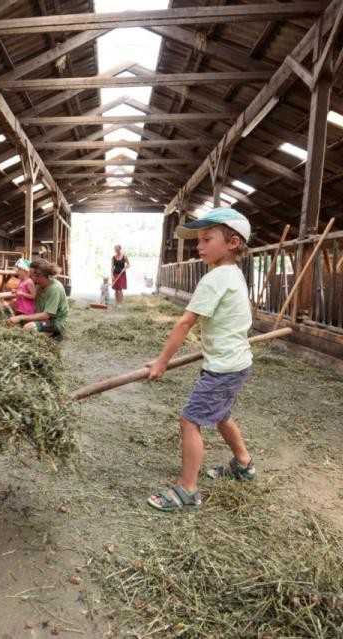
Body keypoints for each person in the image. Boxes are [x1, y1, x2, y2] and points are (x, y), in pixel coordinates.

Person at [143, 208, 255, 512]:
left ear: (233, 242)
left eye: (207, 239)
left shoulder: (215, 279)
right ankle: (243, 463)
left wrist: (162, 361)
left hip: (223, 368)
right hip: (237, 362)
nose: (199, 246)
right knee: (220, 415)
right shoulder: (234, 275)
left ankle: (187, 491)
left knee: (190, 419)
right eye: (199, 240)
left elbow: (185, 322)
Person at [5, 258, 68, 341]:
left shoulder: (54, 289)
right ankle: (45, 333)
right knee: (18, 325)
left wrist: (20, 317)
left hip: (55, 322)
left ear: (40, 275)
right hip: (42, 319)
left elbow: (46, 315)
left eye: (31, 276)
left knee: (29, 327)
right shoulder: (39, 286)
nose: (30, 278)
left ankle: (55, 335)